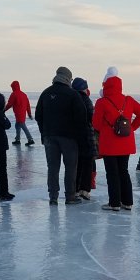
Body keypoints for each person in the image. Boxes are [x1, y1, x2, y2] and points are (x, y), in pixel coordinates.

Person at [91, 73, 140, 211]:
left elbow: (96, 124)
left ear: (106, 87)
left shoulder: (102, 102)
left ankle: (114, 203)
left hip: (109, 144)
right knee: (124, 171)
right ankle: (127, 202)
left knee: (112, 173)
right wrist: (132, 127)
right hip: (125, 142)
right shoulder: (128, 100)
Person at [35, 66, 88, 205]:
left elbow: (38, 115)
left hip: (50, 137)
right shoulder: (72, 94)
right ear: (68, 78)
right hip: (69, 138)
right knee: (70, 167)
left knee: (52, 168)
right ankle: (70, 196)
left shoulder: (46, 93)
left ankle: (53, 197)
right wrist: (82, 139)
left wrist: (44, 133)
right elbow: (81, 118)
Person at [72, 77, 95, 199]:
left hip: (73, 136)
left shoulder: (70, 99)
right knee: (87, 162)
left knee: (76, 163)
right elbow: (92, 118)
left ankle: (74, 189)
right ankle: (84, 189)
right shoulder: (86, 100)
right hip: (86, 136)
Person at [4, 80, 35, 146]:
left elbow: (9, 104)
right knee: (17, 125)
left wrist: (3, 110)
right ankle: (17, 139)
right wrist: (29, 114)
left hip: (18, 113)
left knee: (22, 126)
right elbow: (28, 105)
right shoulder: (24, 94)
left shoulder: (14, 94)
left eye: (12, 87)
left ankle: (30, 139)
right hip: (22, 113)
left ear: (13, 87)